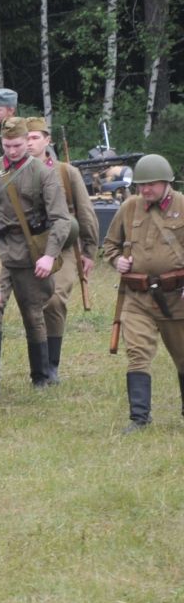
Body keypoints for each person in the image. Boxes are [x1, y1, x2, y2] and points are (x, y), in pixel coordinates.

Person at [0, 116, 74, 392]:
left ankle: (40, 375)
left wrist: (49, 255)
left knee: (33, 312)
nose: (13, 150)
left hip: (31, 252)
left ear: (26, 141)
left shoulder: (43, 172)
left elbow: (62, 219)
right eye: (7, 145)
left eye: (18, 145)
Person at [101, 154, 184, 429]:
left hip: (176, 297)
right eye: (141, 185)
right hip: (138, 297)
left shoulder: (183, 206)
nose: (145, 190)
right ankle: (139, 418)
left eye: (151, 185)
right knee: (137, 353)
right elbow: (110, 245)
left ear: (166, 183)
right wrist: (117, 260)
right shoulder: (129, 207)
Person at [24, 118, 98, 383]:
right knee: (34, 305)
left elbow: (85, 212)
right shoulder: (13, 173)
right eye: (26, 137)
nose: (30, 142)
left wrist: (88, 251)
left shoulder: (66, 172)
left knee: (54, 300)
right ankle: (39, 368)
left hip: (64, 248)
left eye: (35, 137)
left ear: (47, 140)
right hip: (29, 247)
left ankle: (51, 365)